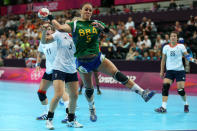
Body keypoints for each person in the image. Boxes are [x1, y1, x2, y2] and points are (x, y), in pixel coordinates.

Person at [45, 2, 155, 122]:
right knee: (89, 89)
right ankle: (92, 109)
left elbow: (112, 35)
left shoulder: (96, 23)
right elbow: (60, 28)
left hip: (97, 58)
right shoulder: (75, 24)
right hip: (82, 62)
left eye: (90, 10)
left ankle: (142, 93)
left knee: (117, 74)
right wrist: (50, 17)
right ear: (81, 11)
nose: (88, 12)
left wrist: (103, 28)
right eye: (85, 9)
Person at [41, 23, 83, 129]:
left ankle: (71, 120)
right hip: (59, 68)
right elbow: (44, 41)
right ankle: (49, 120)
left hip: (72, 69)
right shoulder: (59, 33)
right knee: (59, 94)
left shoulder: (78, 37)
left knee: (74, 96)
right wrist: (43, 32)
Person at [155, 31, 197, 113]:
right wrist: (161, 71)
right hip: (169, 71)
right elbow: (163, 60)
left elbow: (187, 56)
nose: (173, 37)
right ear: (169, 38)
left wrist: (193, 60)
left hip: (180, 71)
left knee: (180, 90)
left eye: (175, 36)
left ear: (177, 38)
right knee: (165, 87)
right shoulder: (166, 47)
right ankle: (163, 107)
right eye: (172, 36)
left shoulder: (181, 46)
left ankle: (186, 104)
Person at [36, 24, 69, 120]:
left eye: (49, 29)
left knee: (61, 93)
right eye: (46, 29)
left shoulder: (56, 39)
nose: (47, 31)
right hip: (49, 70)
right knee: (41, 92)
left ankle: (69, 114)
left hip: (58, 68)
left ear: (53, 31)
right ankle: (46, 112)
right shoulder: (42, 42)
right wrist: (38, 64)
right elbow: (40, 53)